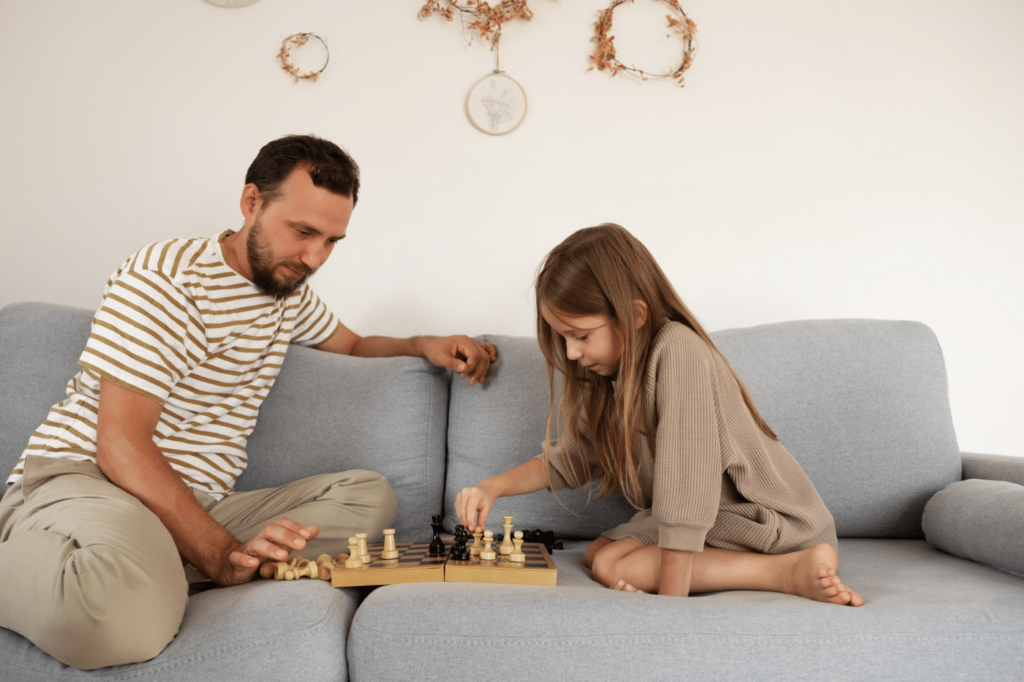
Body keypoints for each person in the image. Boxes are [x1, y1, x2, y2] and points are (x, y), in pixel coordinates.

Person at [0, 134, 497, 669]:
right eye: (303, 232)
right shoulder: (166, 281)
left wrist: (423, 345)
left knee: (369, 498)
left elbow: (350, 344)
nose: (314, 257)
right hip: (92, 479)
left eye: (332, 241)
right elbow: (121, 445)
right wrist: (216, 553)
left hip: (199, 501)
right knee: (124, 625)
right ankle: (136, 566)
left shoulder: (286, 290)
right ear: (251, 202)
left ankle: (162, 563)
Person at [455, 223, 863, 606]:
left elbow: (687, 491)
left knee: (619, 564)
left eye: (581, 336)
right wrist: (493, 487)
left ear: (634, 316)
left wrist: (667, 608)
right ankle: (767, 568)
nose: (572, 354)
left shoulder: (678, 351)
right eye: (564, 338)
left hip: (773, 521)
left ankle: (788, 571)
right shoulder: (616, 378)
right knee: (599, 554)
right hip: (722, 517)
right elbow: (574, 458)